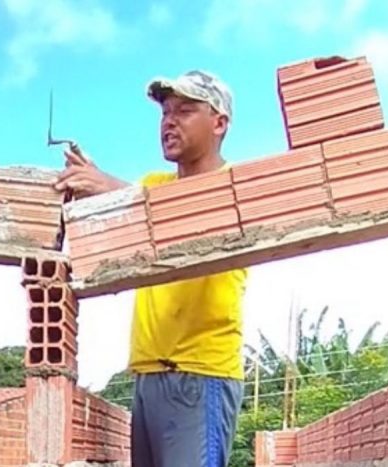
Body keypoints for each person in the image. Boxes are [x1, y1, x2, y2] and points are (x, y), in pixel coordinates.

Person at [53, 70, 246, 467]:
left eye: (185, 111)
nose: (169, 121)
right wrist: (85, 196)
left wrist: (110, 189)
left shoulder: (234, 186)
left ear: (220, 123)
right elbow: (111, 245)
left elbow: (187, 217)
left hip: (200, 375)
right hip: (148, 375)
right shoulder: (153, 183)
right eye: (165, 113)